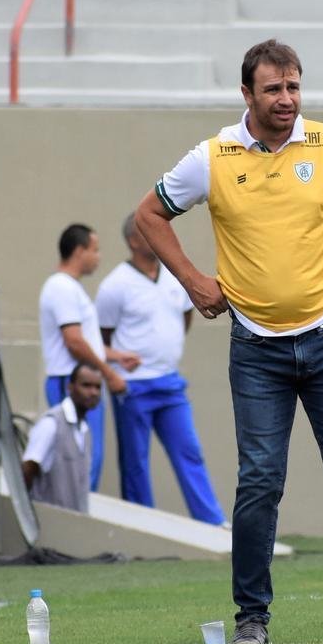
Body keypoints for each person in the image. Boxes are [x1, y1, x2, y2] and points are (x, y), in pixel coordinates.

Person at [133, 39, 323, 644]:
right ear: (246, 94)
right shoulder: (212, 157)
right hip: (255, 348)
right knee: (259, 482)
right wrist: (193, 280)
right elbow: (149, 215)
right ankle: (251, 620)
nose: (286, 100)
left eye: (294, 87)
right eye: (273, 89)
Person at [95, 214, 228, 525]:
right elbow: (102, 335)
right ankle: (143, 524)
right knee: (136, 462)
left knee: (189, 451)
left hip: (169, 382)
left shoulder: (173, 277)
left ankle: (211, 521)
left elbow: (185, 316)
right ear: (133, 241)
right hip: (133, 385)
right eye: (149, 234)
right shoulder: (115, 285)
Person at [38, 223, 139, 491]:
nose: (99, 256)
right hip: (71, 384)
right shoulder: (61, 287)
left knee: (88, 459)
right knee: (76, 461)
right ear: (79, 251)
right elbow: (74, 342)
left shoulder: (70, 288)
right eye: (95, 250)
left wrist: (116, 356)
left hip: (82, 382)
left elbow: (85, 342)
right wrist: (109, 373)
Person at [21, 363, 104, 513]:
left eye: (98, 387)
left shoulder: (85, 430)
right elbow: (27, 470)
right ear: (70, 387)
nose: (93, 392)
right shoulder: (51, 424)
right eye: (86, 386)